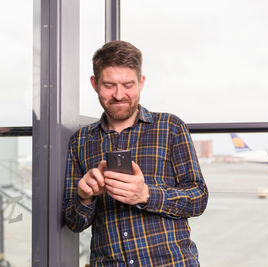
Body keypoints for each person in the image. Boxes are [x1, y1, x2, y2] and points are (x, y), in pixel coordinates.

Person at [63, 40, 208, 267]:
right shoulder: (80, 141)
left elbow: (199, 198)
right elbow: (74, 222)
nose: (119, 95)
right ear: (94, 83)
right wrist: (85, 196)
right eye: (109, 85)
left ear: (141, 82)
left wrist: (146, 195)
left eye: (128, 85)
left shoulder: (170, 127)